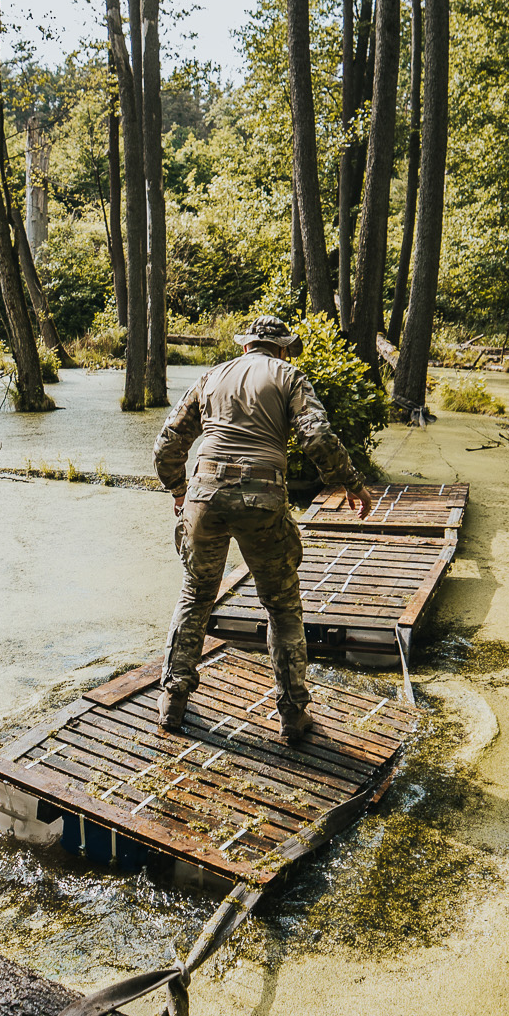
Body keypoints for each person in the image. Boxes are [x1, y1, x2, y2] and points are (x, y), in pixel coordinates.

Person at [152, 316, 370, 741]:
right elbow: (317, 438)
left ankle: (173, 699)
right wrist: (351, 482)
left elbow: (167, 444)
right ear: (283, 348)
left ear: (246, 345)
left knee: (195, 595)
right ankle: (292, 714)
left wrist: (179, 489)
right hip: (262, 499)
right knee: (281, 606)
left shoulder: (210, 377)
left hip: (204, 496)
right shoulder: (289, 376)